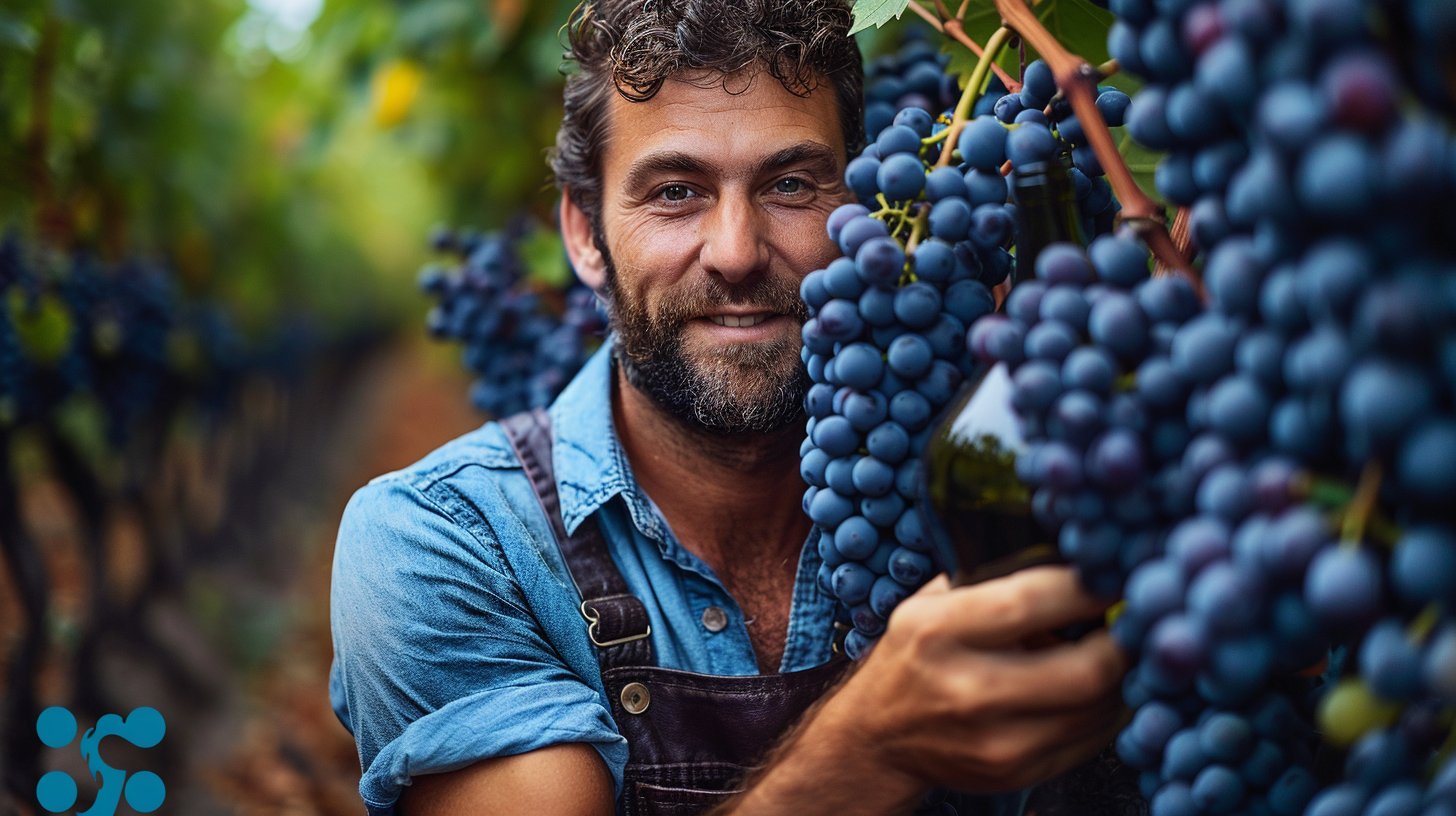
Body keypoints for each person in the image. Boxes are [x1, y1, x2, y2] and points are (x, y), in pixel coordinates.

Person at [328, 1, 1130, 814]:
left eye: (790, 184)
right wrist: (868, 750)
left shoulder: (1001, 475)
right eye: (676, 192)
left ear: (866, 207)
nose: (737, 253)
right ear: (583, 232)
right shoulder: (443, 542)